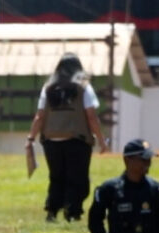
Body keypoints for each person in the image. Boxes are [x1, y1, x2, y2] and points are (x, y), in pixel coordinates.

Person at [25, 53, 108, 223]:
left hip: (51, 140)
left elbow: (40, 116)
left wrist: (31, 138)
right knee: (77, 177)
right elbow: (91, 116)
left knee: (56, 176)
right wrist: (100, 140)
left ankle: (52, 211)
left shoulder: (48, 88)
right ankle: (72, 212)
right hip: (77, 140)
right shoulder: (83, 87)